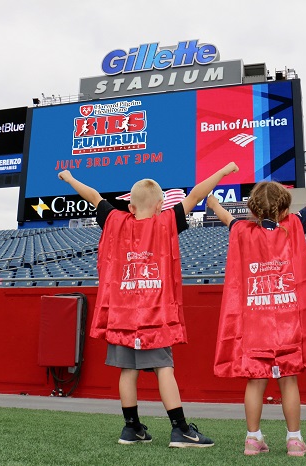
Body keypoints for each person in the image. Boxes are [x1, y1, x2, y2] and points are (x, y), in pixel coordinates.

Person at [58, 162, 238, 448]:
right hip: (155, 316)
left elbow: (92, 195)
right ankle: (180, 430)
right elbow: (197, 194)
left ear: (130, 206)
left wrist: (69, 178)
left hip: (121, 315)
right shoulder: (166, 221)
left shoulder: (114, 220)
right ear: (159, 207)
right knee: (164, 369)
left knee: (127, 371)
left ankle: (132, 428)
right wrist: (223, 171)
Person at [206, 162, 306, 457]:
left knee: (255, 381)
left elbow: (224, 215)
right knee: (288, 380)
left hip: (254, 324)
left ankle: (252, 439)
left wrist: (213, 201)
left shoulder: (241, 230)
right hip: (288, 323)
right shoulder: (294, 225)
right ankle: (294, 440)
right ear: (284, 209)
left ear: (253, 211)